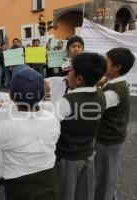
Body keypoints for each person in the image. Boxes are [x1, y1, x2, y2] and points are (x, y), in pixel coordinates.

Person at [0, 65, 60, 200]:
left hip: (20, 188)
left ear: (11, 96)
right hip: (48, 182)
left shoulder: (8, 127)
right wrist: (47, 96)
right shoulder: (53, 120)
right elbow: (47, 112)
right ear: (41, 95)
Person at [53, 53, 107, 200]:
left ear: (79, 79)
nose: (68, 74)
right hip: (88, 154)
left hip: (67, 158)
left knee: (66, 194)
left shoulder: (67, 101)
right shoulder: (101, 95)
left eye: (70, 71)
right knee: (85, 194)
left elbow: (50, 126)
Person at [94, 48, 135, 200]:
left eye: (106, 62)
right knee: (108, 174)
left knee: (105, 177)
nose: (103, 65)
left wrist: (94, 86)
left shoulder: (114, 91)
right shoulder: (117, 84)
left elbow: (94, 106)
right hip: (113, 139)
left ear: (117, 67)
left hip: (108, 141)